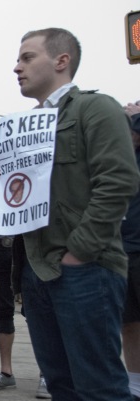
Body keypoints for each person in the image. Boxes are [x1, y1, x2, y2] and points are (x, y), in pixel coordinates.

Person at [0, 28, 139, 400]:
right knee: (60, 386)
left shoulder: (96, 109)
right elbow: (20, 199)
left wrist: (78, 253)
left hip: (85, 270)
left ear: (62, 61)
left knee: (99, 387)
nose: (17, 67)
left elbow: (118, 181)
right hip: (34, 273)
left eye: (28, 57)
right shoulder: (19, 127)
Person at [0, 234, 50, 399]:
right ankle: (6, 373)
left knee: (37, 310)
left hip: (28, 245)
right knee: (3, 309)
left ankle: (47, 374)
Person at [122, 102, 140, 400]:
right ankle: (135, 386)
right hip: (123, 250)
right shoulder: (123, 157)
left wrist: (134, 117)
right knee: (129, 322)